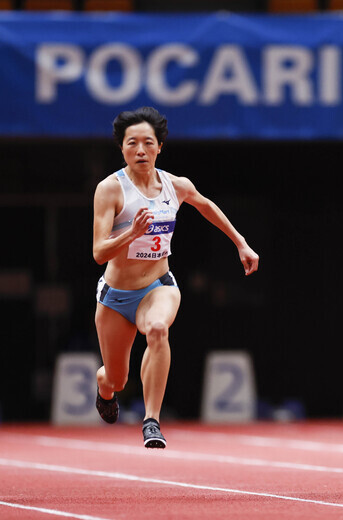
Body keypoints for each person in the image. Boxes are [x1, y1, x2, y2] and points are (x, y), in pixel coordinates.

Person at [92, 106, 259, 448]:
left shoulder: (175, 185)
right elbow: (99, 252)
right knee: (117, 377)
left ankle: (151, 420)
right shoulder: (111, 189)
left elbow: (206, 205)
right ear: (121, 148)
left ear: (159, 147)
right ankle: (104, 389)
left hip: (158, 286)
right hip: (116, 294)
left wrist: (241, 243)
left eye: (147, 143)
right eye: (132, 143)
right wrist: (131, 233)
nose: (140, 150)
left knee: (157, 329)